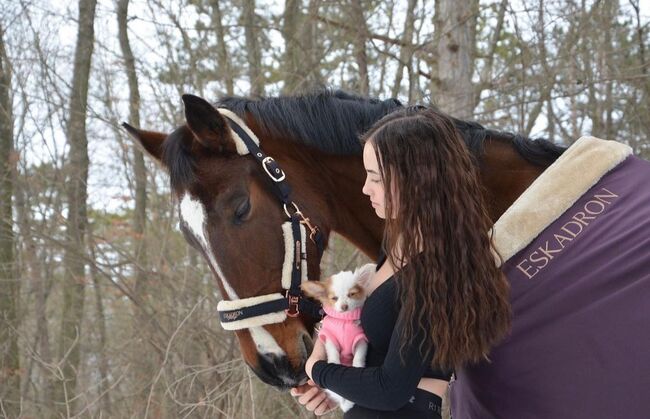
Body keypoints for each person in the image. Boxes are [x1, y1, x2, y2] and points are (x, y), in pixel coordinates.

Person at [291, 107, 512, 418]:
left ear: (417, 181)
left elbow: (392, 389)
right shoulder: (395, 250)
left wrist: (317, 370)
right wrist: (335, 387)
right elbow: (379, 365)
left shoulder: (438, 270)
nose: (366, 189)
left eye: (376, 178)